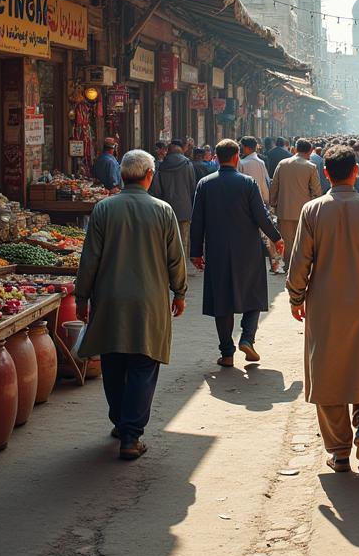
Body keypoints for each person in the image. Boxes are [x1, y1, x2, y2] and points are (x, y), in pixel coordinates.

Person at [287, 144, 359, 471]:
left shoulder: (312, 211)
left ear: (325, 173)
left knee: (327, 374)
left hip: (324, 306)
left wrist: (296, 298)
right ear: (356, 172)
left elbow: (299, 264)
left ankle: (339, 451)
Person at [74, 150, 187, 460]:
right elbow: (176, 259)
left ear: (123, 176)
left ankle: (121, 423)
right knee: (142, 363)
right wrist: (179, 292)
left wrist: (81, 297)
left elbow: (89, 259)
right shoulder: (162, 211)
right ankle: (130, 434)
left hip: (110, 302)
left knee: (114, 363)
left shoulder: (103, 209)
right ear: (149, 175)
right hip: (148, 303)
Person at [190, 139, 283, 367]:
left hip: (218, 250)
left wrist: (195, 252)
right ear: (236, 157)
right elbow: (261, 216)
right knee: (254, 293)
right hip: (248, 249)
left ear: (217, 157)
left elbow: (197, 221)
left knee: (222, 299)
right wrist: (276, 237)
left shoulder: (205, 184)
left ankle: (227, 353)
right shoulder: (248, 183)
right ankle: (247, 337)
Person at [270, 139, 322, 266]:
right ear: (310, 151)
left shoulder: (282, 164)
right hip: (304, 211)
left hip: (284, 209)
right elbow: (316, 191)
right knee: (303, 241)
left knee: (287, 242)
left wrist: (273, 203)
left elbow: (274, 185)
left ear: (295, 149)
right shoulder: (311, 166)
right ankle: (300, 268)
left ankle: (288, 266)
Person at [151, 139, 198, 269]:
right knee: (183, 240)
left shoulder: (161, 167)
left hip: (165, 208)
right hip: (185, 208)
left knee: (167, 239)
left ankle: (167, 266)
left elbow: (156, 190)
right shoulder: (188, 164)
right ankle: (180, 268)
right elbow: (192, 187)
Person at [239, 135, 282, 275]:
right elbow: (265, 183)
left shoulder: (242, 163)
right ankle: (274, 263)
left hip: (245, 204)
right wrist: (267, 201)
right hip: (262, 201)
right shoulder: (260, 162)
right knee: (267, 233)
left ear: (246, 147)